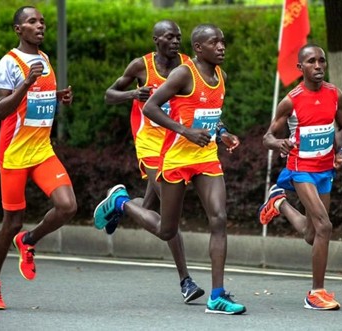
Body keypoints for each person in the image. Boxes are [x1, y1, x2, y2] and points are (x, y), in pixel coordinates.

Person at [94, 24, 245, 315]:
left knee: (219, 218)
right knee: (167, 229)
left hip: (206, 156)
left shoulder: (221, 76)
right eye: (215, 42)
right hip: (173, 155)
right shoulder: (182, 73)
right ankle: (121, 203)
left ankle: (217, 295)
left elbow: (211, 114)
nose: (222, 47)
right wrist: (184, 131)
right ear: (200, 48)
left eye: (223, 42)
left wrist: (223, 132)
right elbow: (150, 107)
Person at [101, 20, 205, 304]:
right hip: (149, 143)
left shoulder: (189, 65)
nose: (175, 41)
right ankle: (186, 281)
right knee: (169, 216)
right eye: (170, 37)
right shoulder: (140, 66)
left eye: (179, 37)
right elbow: (109, 95)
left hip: (176, 144)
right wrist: (133, 94)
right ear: (156, 40)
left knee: (150, 207)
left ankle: (120, 203)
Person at [0, 6, 76, 310]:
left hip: (42, 150)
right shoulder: (9, 63)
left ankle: (29, 240)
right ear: (18, 30)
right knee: (11, 222)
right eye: (32, 22)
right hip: (15, 153)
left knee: (68, 206)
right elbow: (1, 110)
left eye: (42, 21)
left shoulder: (45, 59)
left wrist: (57, 96)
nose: (40, 26)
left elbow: (35, 99)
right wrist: (25, 83)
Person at [259, 44, 342, 311]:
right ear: (301, 68)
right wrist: (280, 144)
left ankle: (279, 203)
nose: (318, 66)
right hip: (301, 169)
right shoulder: (292, 100)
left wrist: (340, 151)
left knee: (312, 234)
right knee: (324, 226)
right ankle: (316, 293)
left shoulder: (335, 94)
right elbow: (267, 138)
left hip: (324, 170)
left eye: (322, 60)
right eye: (311, 61)